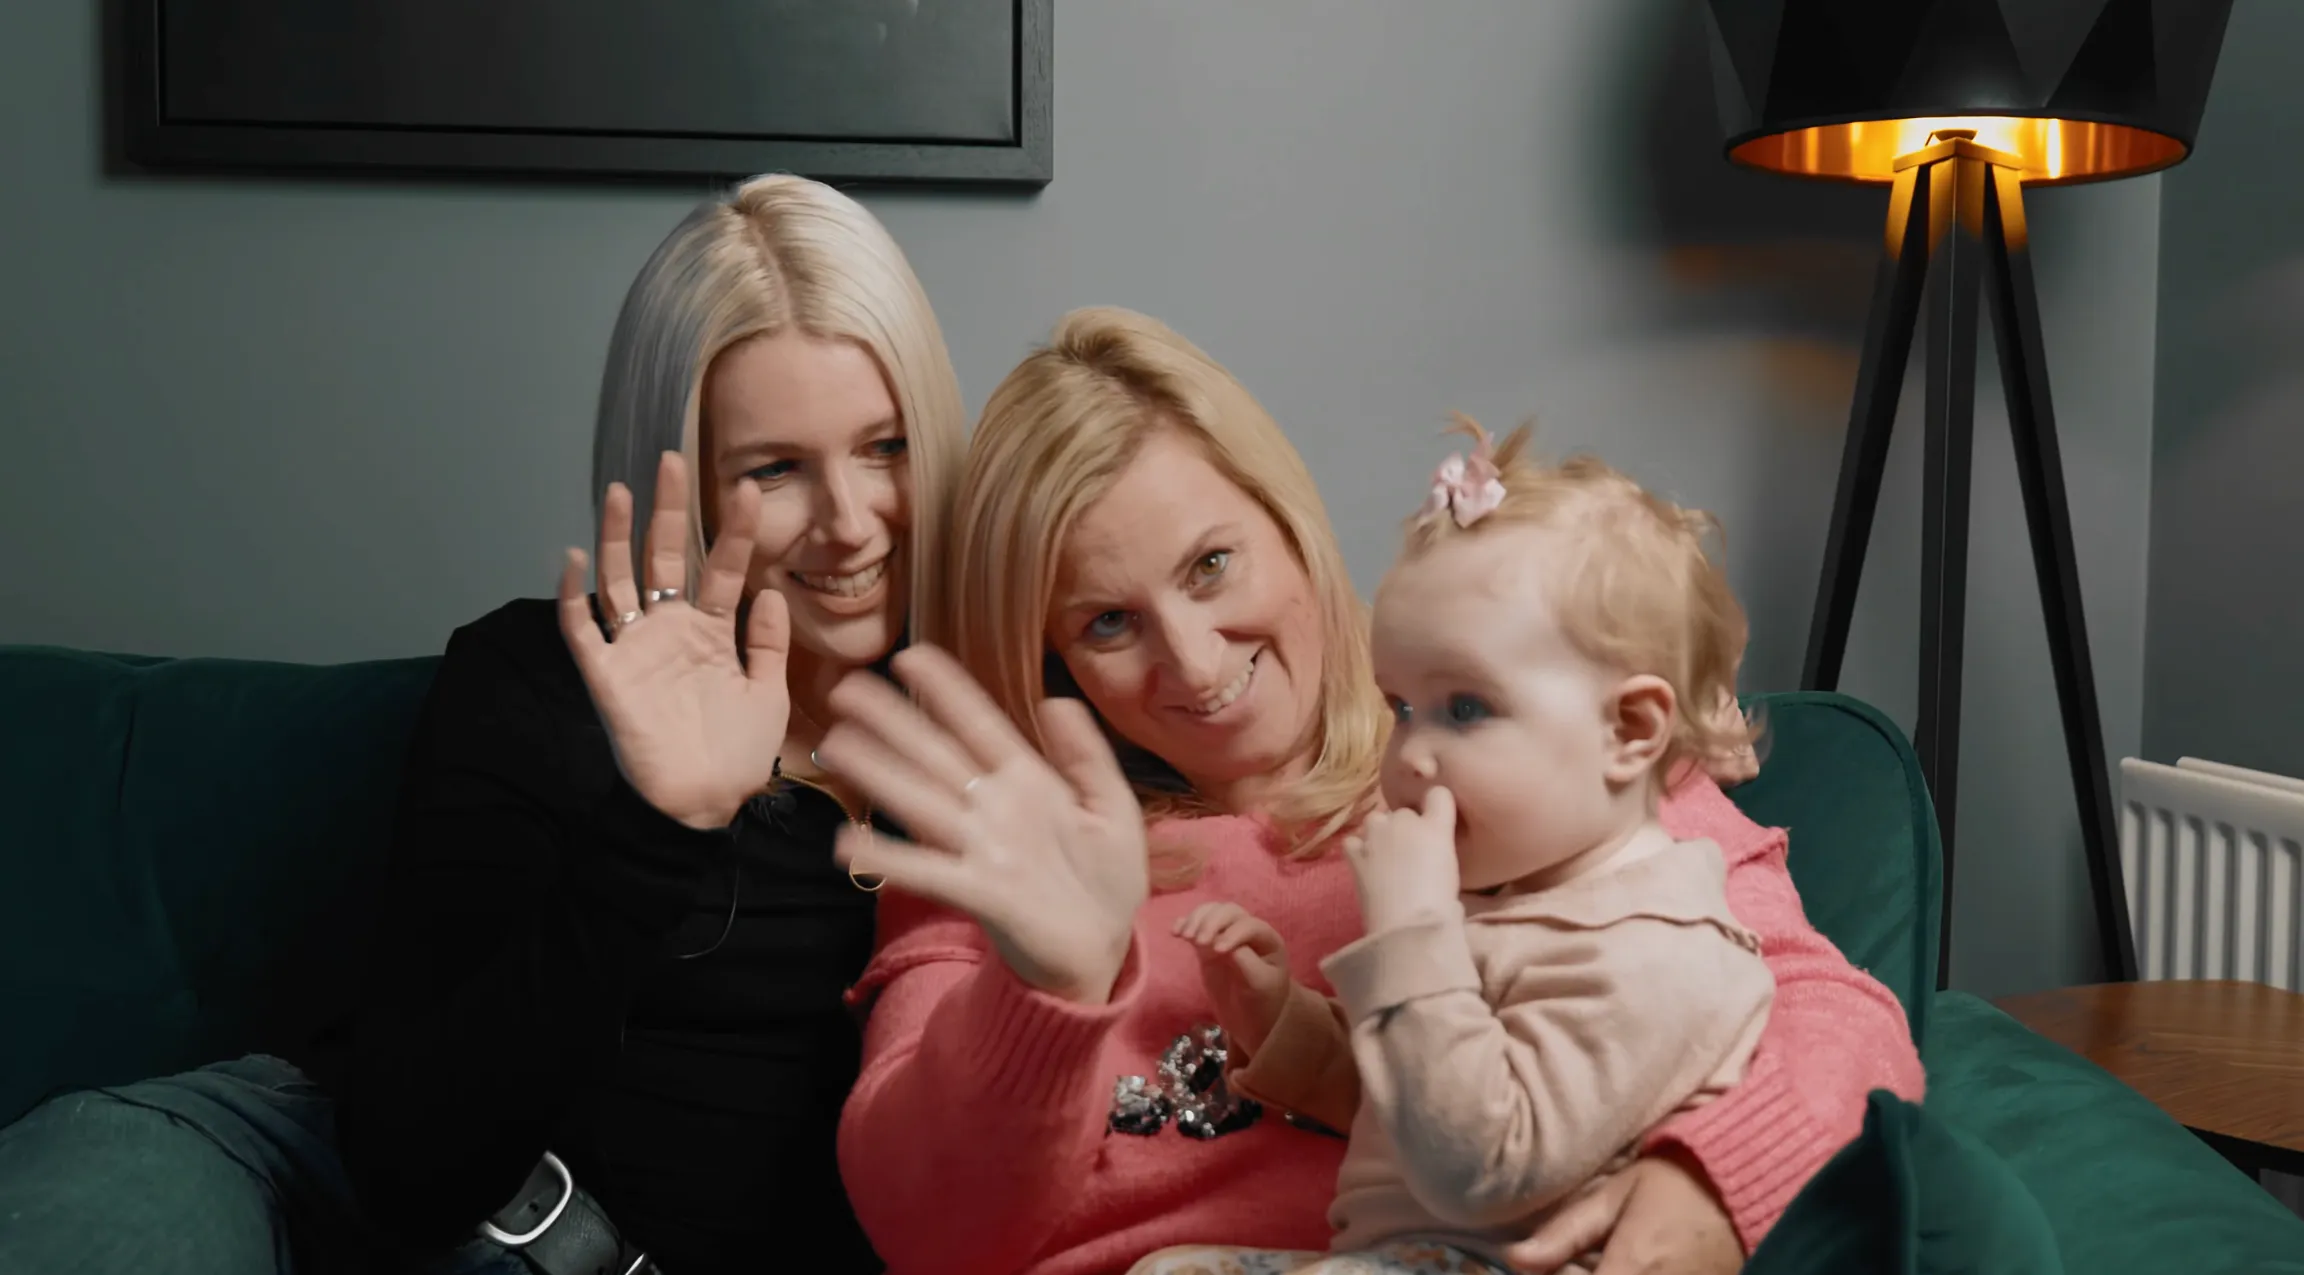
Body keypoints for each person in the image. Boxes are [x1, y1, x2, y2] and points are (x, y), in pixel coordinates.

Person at [814, 306, 1929, 1275]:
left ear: (1287, 523)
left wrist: (1716, 1180)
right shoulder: (1003, 852)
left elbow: (1838, 1017)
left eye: (1212, 565)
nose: (1194, 663)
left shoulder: (1544, 758)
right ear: (1050, 659)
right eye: (1108, 622)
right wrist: (1044, 989)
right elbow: (935, 1241)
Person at [0, 172, 964, 1275]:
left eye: (886, 447)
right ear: (684, 483)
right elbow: (416, 1171)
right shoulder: (533, 687)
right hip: (375, 1190)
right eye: (775, 468)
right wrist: (664, 827)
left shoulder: (1017, 708)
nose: (850, 522)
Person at [1135, 417, 1778, 1274]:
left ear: (1629, 729)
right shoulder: (1513, 901)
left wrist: (1411, 936)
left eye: (1466, 708)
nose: (1411, 754)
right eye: (1402, 708)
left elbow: (1480, 1164)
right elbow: (1409, 1104)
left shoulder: (1658, 948)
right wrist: (1284, 1022)